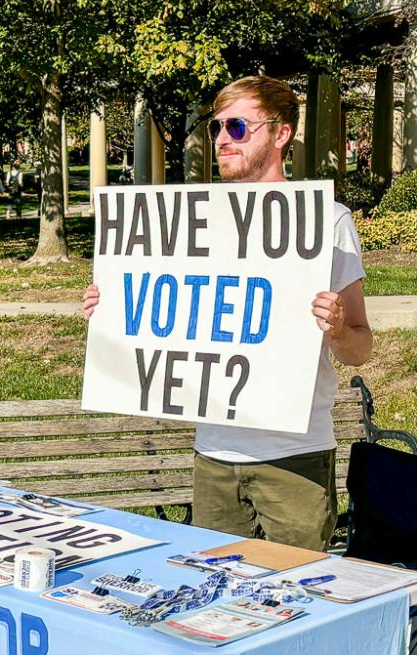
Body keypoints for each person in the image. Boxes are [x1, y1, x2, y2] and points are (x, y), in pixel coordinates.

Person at [83, 75, 373, 550]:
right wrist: (111, 308)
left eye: (237, 127)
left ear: (280, 134)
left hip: (293, 458)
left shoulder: (327, 221)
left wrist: (339, 328)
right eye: (216, 128)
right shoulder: (193, 222)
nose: (221, 140)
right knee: (217, 604)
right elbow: (164, 310)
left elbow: (360, 348)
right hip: (212, 458)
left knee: (296, 602)